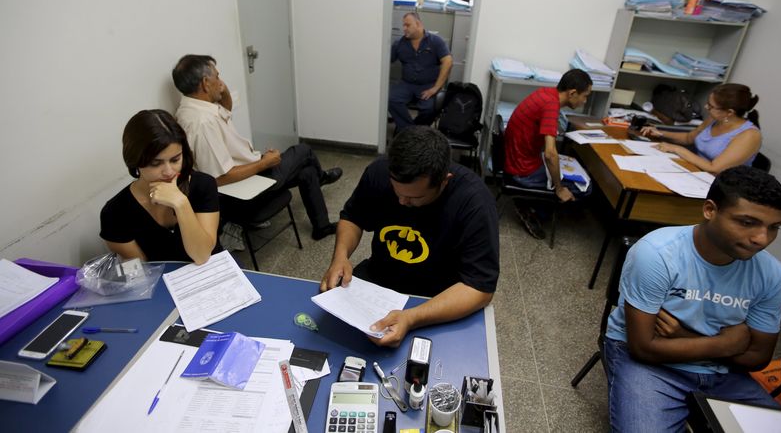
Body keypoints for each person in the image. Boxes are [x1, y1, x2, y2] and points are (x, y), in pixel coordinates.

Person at [604, 166, 781, 432]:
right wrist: (727, 344)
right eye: (747, 223)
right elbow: (643, 348)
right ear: (710, 210)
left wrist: (685, 336)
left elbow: (759, 357)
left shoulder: (771, 273)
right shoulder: (657, 253)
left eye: (774, 228)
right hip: (652, 365)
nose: (762, 239)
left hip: (722, 371)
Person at [319, 126, 499, 348]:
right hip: (378, 281)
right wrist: (341, 256)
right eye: (397, 192)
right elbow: (353, 217)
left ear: (444, 181)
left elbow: (480, 288)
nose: (402, 201)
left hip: (437, 297)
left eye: (415, 197)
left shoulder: (474, 202)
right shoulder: (379, 172)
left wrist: (412, 318)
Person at [172, 55, 341, 241]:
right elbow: (218, 178)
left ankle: (321, 227)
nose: (221, 82)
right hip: (243, 189)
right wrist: (266, 163)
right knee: (303, 151)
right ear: (205, 83)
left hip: (248, 172)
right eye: (218, 77)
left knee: (307, 171)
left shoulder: (197, 108)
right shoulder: (201, 122)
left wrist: (222, 88)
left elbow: (226, 109)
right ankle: (322, 177)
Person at [100, 110, 221, 264]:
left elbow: (202, 256)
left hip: (215, 274)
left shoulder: (203, 186)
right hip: (161, 282)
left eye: (175, 159)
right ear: (135, 160)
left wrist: (181, 204)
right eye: (155, 163)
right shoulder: (115, 212)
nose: (169, 172)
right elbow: (143, 272)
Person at [503, 68, 593, 237]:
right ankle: (533, 210)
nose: (585, 101)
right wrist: (559, 188)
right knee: (585, 188)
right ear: (573, 93)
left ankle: (532, 204)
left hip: (516, 160)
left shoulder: (546, 93)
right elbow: (550, 154)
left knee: (567, 166)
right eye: (585, 96)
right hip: (522, 171)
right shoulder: (551, 106)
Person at [641, 83, 761, 174]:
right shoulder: (715, 118)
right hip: (694, 172)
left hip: (719, 186)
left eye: (711, 106)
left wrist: (677, 149)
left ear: (729, 112)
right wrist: (660, 133)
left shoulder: (750, 136)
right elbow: (689, 138)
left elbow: (714, 168)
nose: (705, 107)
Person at [388, 12, 453, 129]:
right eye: (403, 25)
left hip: (428, 85)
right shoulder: (399, 44)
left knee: (430, 109)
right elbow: (386, 61)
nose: (404, 29)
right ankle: (410, 131)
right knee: (391, 99)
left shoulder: (435, 41)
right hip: (406, 84)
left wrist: (436, 88)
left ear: (418, 24)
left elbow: (448, 62)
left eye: (407, 25)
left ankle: (415, 131)